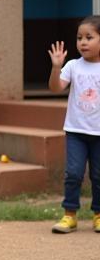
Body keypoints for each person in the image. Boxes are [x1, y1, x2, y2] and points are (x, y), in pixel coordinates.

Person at [47, 16, 100, 233]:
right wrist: (55, 67)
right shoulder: (73, 66)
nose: (83, 42)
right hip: (76, 131)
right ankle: (70, 215)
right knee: (73, 174)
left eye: (89, 37)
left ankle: (98, 215)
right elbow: (55, 88)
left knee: (98, 175)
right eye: (79, 38)